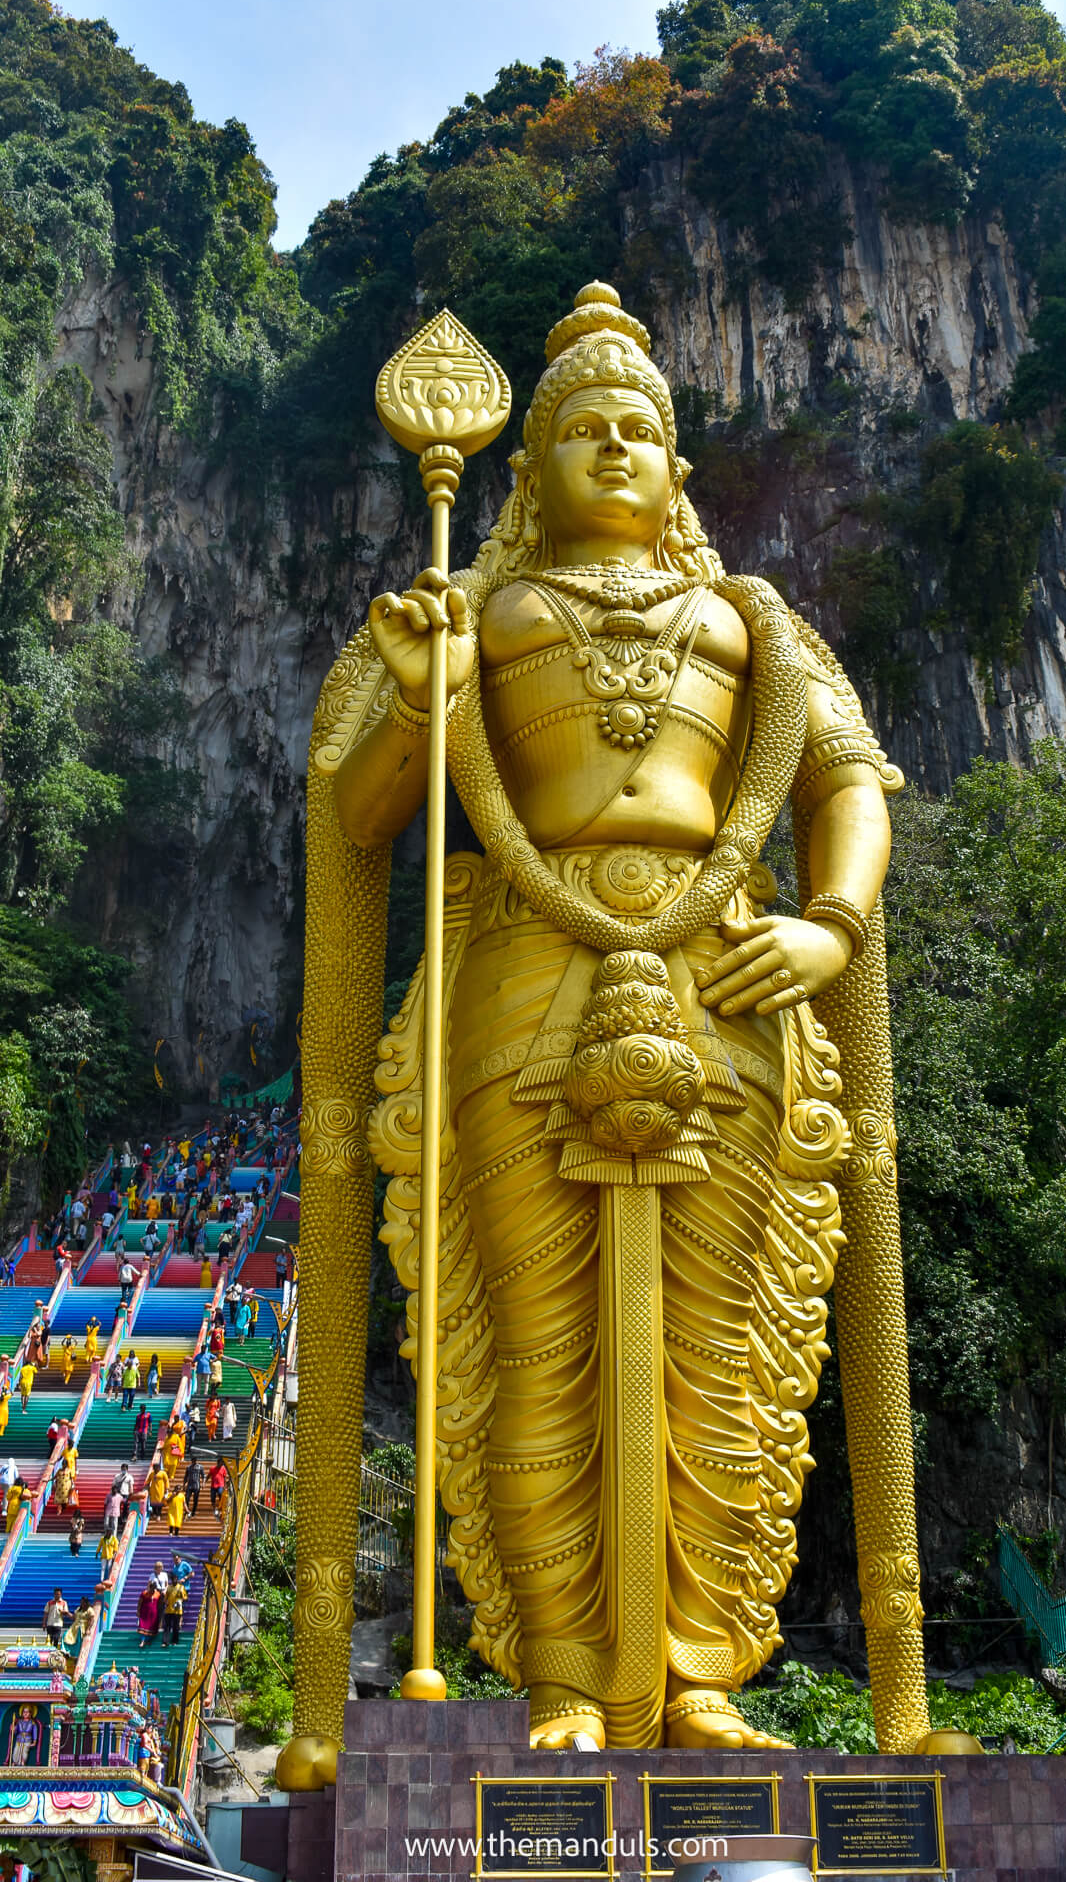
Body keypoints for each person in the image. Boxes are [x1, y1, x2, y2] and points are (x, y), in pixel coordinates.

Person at [309, 282, 924, 1754]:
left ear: (677, 470)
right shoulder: (478, 613)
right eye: (580, 426)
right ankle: (570, 1682)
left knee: (716, 1347)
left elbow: (848, 783)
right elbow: (355, 813)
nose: (612, 447)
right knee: (539, 1347)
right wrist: (415, 700)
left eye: (639, 428)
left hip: (728, 971)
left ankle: (703, 1673)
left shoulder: (751, 619)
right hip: (528, 963)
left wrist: (825, 920)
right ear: (527, 471)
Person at [161, 1576, 187, 1647]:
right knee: (167, 1626)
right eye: (172, 1579)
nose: (174, 1580)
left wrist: (181, 1599)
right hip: (169, 1610)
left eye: (175, 1579)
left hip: (177, 1610)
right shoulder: (169, 1587)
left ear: (177, 1579)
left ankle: (175, 1641)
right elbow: (165, 1598)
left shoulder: (181, 1587)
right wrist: (166, 1602)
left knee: (176, 1626)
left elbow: (185, 1597)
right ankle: (165, 1642)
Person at [137, 1579, 162, 1649]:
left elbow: (159, 1604)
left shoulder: (157, 1594)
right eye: (152, 1588)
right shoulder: (144, 1593)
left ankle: (148, 1641)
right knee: (143, 1626)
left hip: (153, 1613)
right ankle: (142, 1641)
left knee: (152, 1627)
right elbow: (140, 1603)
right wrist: (138, 1611)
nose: (153, 1590)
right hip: (144, 1613)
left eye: (154, 1588)